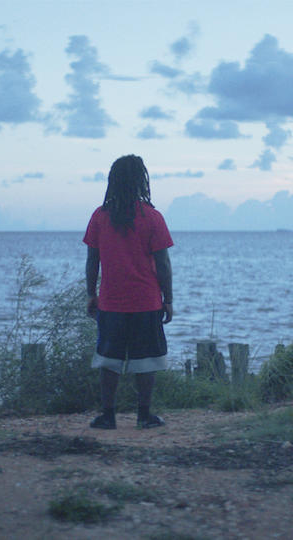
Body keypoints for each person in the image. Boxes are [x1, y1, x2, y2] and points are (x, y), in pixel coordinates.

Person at [83, 154, 174, 430]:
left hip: (111, 302)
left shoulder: (100, 217)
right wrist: (168, 299)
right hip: (146, 301)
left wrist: (91, 294)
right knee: (146, 360)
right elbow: (163, 263)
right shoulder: (153, 217)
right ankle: (144, 416)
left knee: (108, 360)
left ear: (112, 181)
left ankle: (107, 415)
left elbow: (92, 261)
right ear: (140, 181)